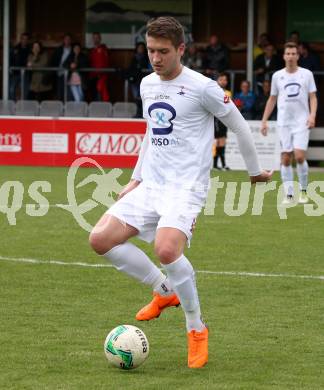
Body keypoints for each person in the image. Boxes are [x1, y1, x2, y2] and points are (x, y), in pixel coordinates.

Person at [89, 17, 272, 369]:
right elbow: (151, 133)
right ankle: (164, 292)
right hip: (151, 184)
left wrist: (253, 172)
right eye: (150, 50)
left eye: (163, 51)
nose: (155, 58)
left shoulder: (203, 87)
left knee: (167, 248)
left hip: (184, 188)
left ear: (181, 50)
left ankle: (195, 327)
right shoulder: (146, 84)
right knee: (100, 240)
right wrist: (135, 177)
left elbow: (239, 126)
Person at [261, 42, 317, 204]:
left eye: (294, 54)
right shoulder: (277, 76)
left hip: (302, 122)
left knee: (299, 156)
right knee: (285, 158)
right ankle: (289, 194)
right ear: (284, 56)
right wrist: (264, 120)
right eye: (288, 54)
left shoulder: (306, 74)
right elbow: (272, 99)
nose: (291, 56)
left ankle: (304, 191)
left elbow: (313, 97)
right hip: (284, 122)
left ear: (297, 56)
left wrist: (312, 115)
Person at [125, 42, 150, 117]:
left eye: (142, 48)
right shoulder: (134, 58)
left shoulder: (147, 58)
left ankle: (143, 114)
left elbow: (147, 69)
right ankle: (138, 114)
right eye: (139, 48)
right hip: (135, 81)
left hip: (144, 81)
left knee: (143, 98)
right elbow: (131, 69)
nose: (140, 50)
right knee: (136, 97)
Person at [214, 72, 232, 169]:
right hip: (216, 118)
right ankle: (217, 164)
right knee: (218, 141)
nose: (223, 82)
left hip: (225, 119)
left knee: (223, 141)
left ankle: (221, 164)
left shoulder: (228, 93)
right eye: (221, 79)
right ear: (217, 81)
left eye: (225, 80)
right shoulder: (214, 92)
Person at [88, 32, 110, 101]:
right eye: (94, 38)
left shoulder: (104, 49)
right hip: (92, 76)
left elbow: (106, 62)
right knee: (93, 94)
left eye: (97, 38)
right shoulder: (91, 50)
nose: (95, 39)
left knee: (101, 94)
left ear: (100, 39)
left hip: (101, 76)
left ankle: (101, 111)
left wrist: (103, 74)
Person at [51, 33, 73, 100]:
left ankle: (68, 109)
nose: (67, 41)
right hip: (59, 74)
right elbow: (53, 60)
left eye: (69, 39)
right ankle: (61, 108)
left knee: (69, 94)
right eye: (66, 39)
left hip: (70, 75)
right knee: (60, 93)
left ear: (71, 40)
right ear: (63, 40)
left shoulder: (73, 50)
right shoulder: (59, 49)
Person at [9, 32, 31, 100]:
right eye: (23, 39)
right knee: (11, 90)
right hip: (15, 73)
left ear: (28, 40)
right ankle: (13, 105)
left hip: (25, 73)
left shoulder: (30, 49)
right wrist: (10, 69)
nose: (24, 40)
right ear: (20, 39)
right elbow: (10, 59)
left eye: (26, 39)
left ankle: (22, 106)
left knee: (24, 91)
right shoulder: (15, 49)